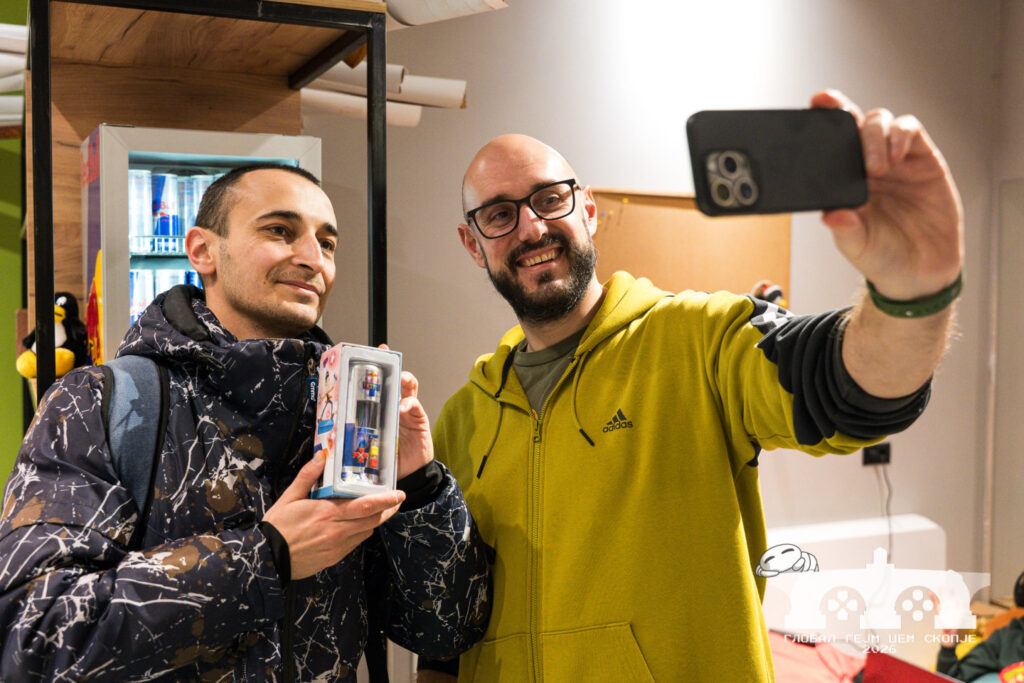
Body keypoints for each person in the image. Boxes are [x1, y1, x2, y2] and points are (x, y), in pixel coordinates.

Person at [418, 89, 963, 682]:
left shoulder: (699, 340)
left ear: (588, 209)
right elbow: (448, 627)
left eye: (550, 199)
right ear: (473, 244)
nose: (532, 226)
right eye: (500, 215)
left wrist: (911, 290)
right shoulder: (462, 418)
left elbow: (844, 388)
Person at [0, 164, 491, 681]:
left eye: (327, 243)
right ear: (202, 250)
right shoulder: (99, 402)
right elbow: (33, 635)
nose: (313, 259)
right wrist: (267, 557)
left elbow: (447, 632)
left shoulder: (343, 414)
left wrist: (420, 486)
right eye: (279, 230)